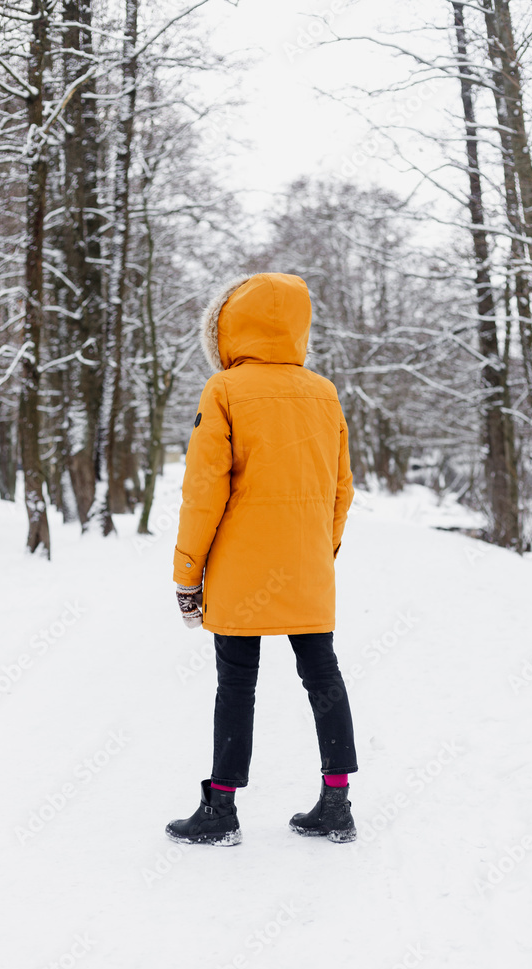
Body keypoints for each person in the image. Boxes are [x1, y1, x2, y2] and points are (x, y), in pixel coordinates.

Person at [166, 272, 358, 846]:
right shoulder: (324, 393)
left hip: (240, 572)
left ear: (225, 329)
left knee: (236, 682)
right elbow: (342, 488)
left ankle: (221, 810)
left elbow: (204, 493)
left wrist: (187, 575)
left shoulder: (224, 390)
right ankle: (337, 804)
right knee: (323, 676)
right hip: (306, 567)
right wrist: (321, 553)